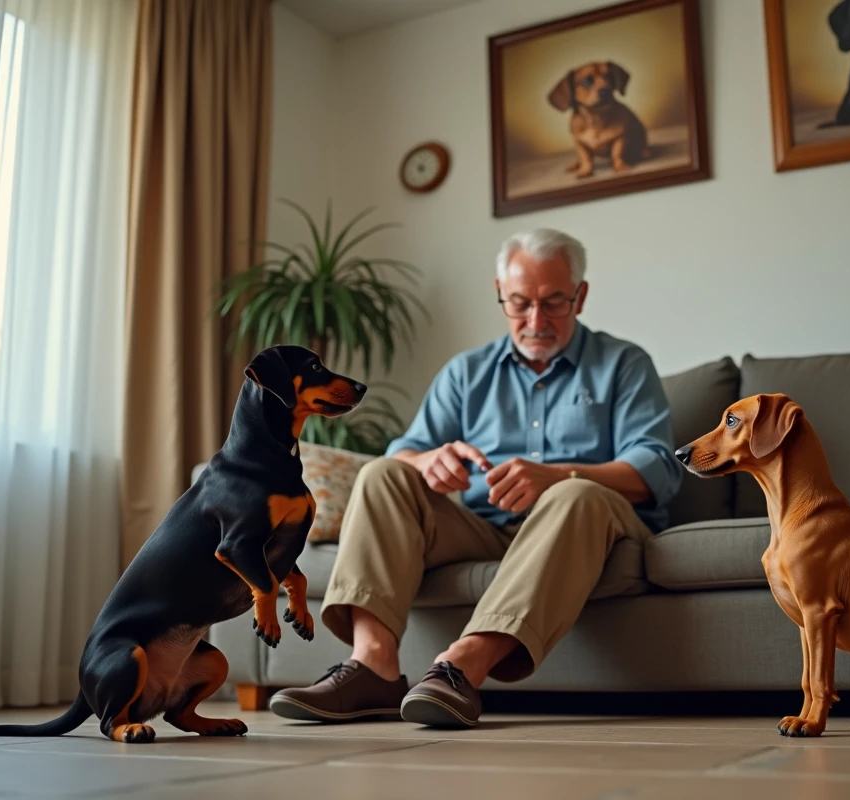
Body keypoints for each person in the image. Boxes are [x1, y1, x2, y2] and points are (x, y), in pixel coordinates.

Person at [269, 228, 681, 728]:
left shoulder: (624, 364)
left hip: (591, 527)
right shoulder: (466, 372)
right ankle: (373, 665)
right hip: (486, 528)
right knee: (383, 473)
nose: (535, 320)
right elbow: (404, 452)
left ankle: (461, 668)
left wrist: (557, 475)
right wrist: (427, 462)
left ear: (581, 295)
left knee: (575, 494)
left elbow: (658, 468)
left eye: (554, 302)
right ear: (500, 294)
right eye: (520, 303)